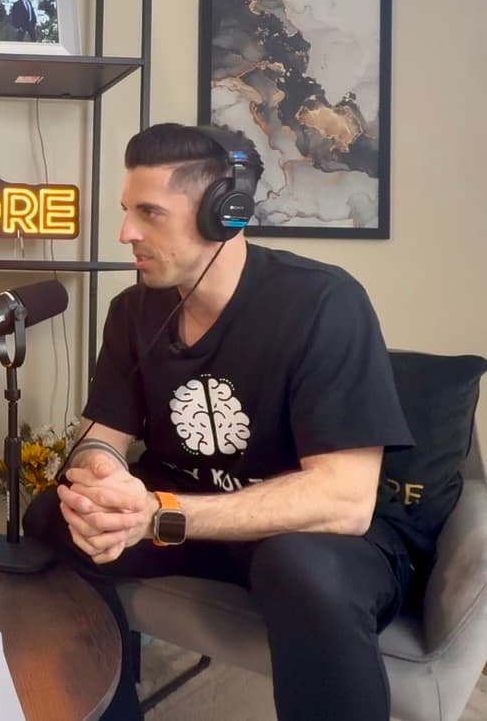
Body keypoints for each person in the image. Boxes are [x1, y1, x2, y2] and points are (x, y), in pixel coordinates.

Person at [24, 123, 421, 721]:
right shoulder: (132, 310)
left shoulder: (323, 302)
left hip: (308, 537)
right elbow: (101, 435)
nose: (126, 233)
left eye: (150, 213)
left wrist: (159, 514)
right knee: (54, 516)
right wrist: (103, 480)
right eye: (127, 211)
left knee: (300, 566)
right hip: (183, 516)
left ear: (224, 213)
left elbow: (345, 499)